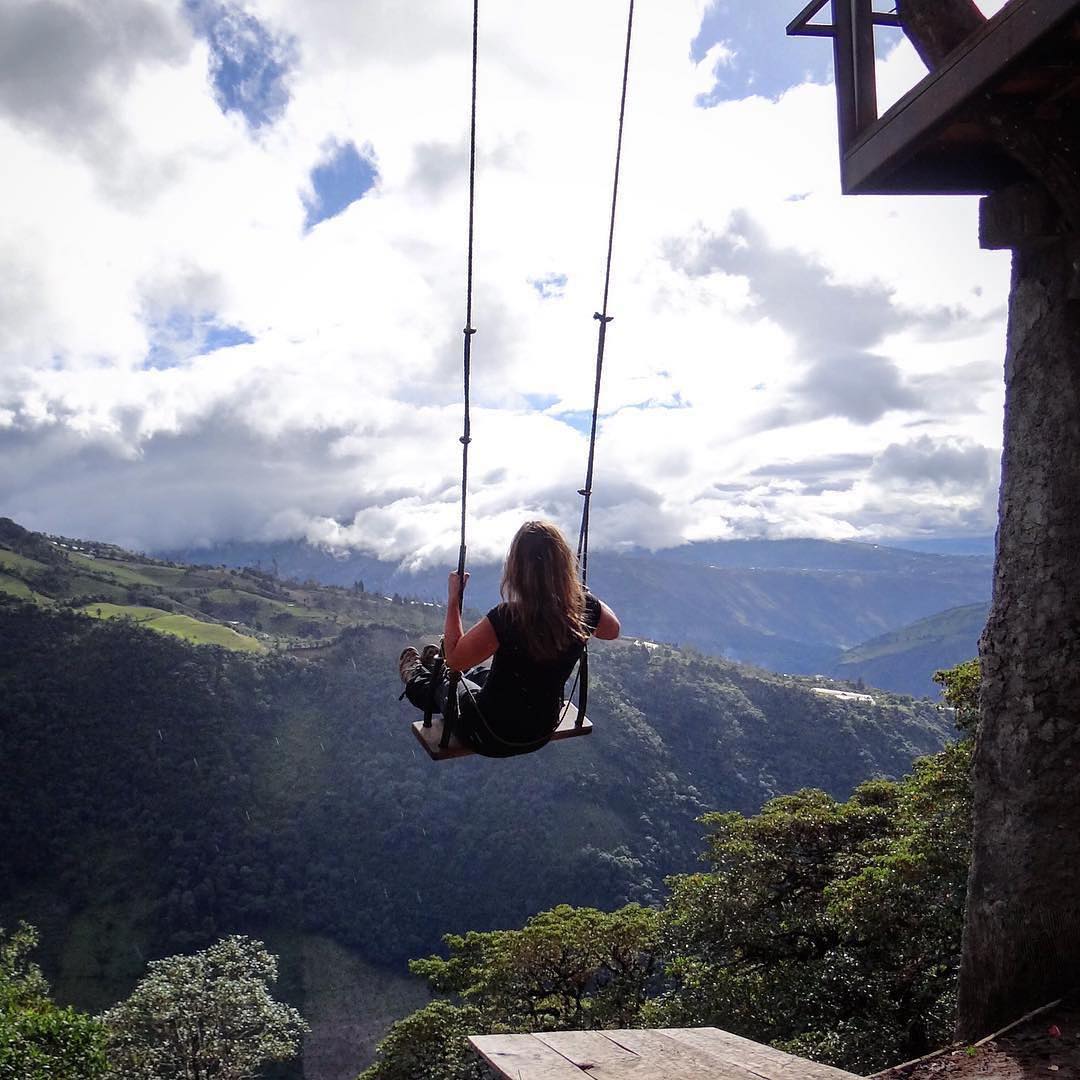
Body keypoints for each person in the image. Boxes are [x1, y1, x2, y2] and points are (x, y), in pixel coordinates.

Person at [399, 520, 620, 757]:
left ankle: (418, 677)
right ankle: (434, 670)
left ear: (517, 569)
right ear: (564, 565)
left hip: (487, 734)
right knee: (479, 675)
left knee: (448, 680)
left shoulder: (508, 618)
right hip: (541, 732)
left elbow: (454, 659)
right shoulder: (581, 611)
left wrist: (454, 599)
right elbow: (612, 630)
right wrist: (582, 597)